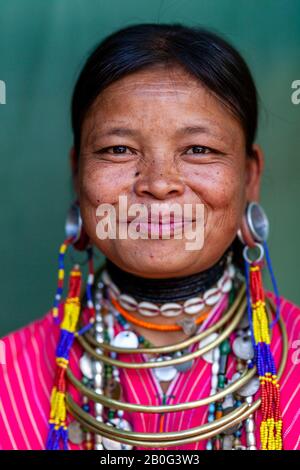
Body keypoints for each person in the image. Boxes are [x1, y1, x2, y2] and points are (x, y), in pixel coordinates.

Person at [0, 23, 299, 451]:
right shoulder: (9, 375)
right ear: (77, 171)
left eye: (198, 149)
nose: (159, 184)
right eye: (118, 149)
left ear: (249, 177)